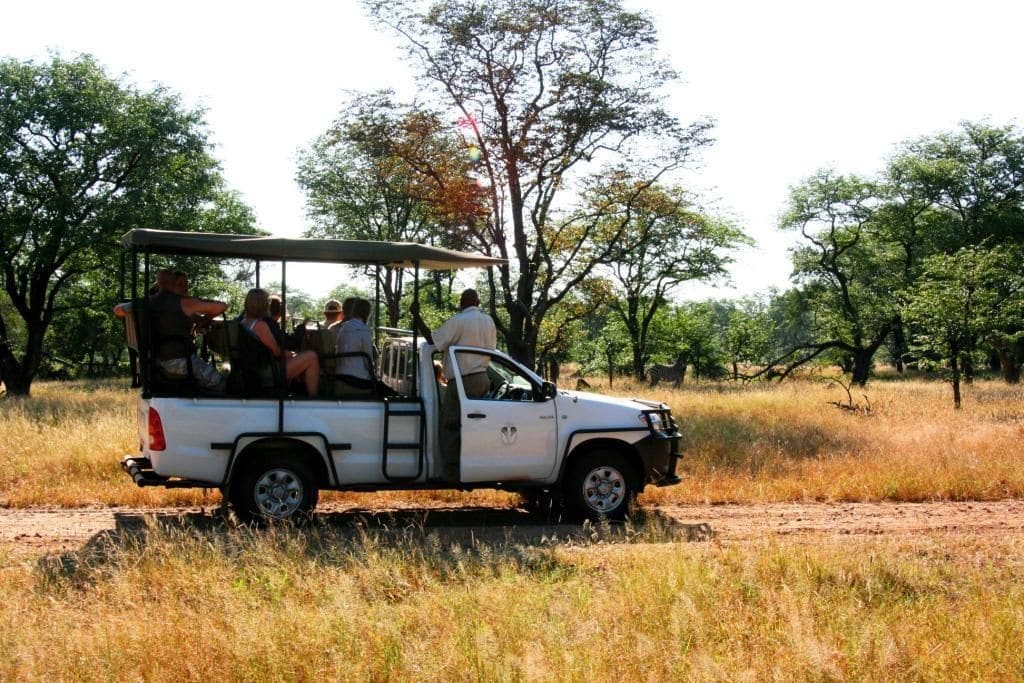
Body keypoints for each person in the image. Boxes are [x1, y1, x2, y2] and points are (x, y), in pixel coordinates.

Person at [411, 289, 497, 482]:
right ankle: (474, 468)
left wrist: (417, 317)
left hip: (462, 380)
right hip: (483, 378)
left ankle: (450, 473)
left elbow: (434, 341)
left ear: (461, 302)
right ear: (478, 301)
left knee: (450, 426)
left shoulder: (459, 320)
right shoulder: (488, 321)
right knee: (475, 427)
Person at [147, 270, 227, 390]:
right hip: (179, 360)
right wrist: (206, 318)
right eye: (180, 284)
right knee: (223, 383)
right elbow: (222, 306)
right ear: (172, 284)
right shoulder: (182, 303)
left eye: (186, 284)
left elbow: (118, 309)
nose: (185, 288)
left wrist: (200, 322)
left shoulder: (151, 301)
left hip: (156, 360)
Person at [241, 288, 320, 396]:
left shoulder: (243, 322)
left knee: (296, 358)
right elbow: (277, 351)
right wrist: (290, 354)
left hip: (252, 369)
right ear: (263, 305)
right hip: (266, 372)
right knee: (312, 356)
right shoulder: (260, 325)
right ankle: (313, 398)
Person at [335, 298, 394, 395]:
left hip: (340, 377)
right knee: (389, 392)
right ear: (367, 313)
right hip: (357, 380)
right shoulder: (363, 330)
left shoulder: (343, 328)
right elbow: (368, 361)